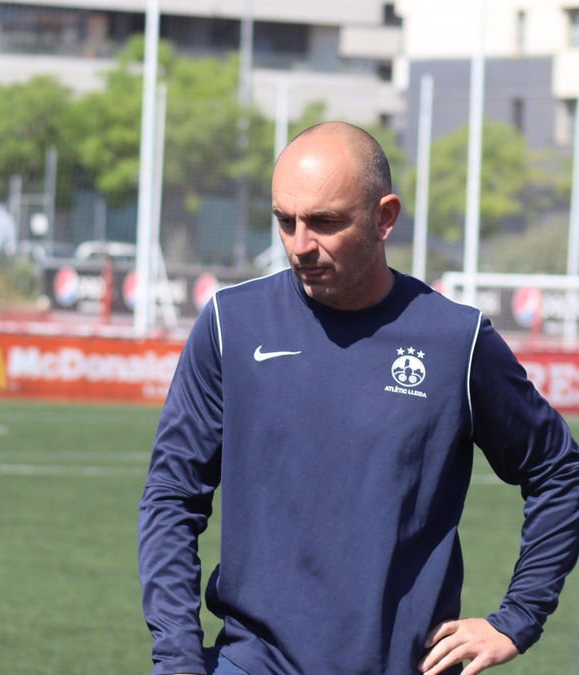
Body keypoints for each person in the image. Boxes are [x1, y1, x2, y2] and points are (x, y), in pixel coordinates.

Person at [138, 121, 579, 675]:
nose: (301, 245)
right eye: (285, 221)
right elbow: (172, 496)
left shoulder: (455, 341)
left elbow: (560, 473)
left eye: (324, 222)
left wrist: (517, 618)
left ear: (384, 217)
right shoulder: (231, 324)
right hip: (251, 663)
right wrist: (178, 659)